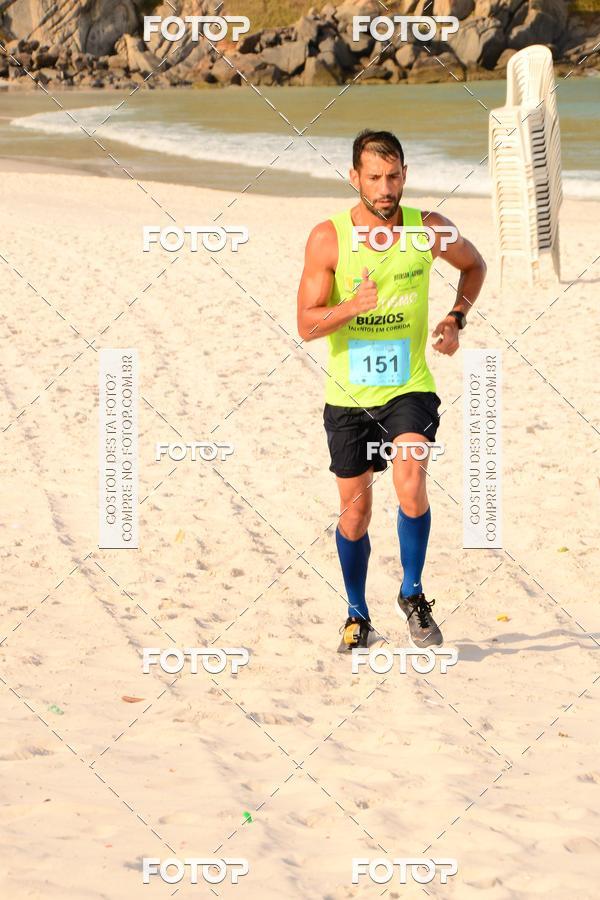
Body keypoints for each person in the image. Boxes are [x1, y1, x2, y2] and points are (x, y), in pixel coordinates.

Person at [296, 129, 487, 651]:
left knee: (410, 483)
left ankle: (412, 593)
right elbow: (306, 325)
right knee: (354, 513)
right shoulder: (329, 238)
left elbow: (474, 266)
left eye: (394, 176)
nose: (385, 188)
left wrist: (455, 317)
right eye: (374, 177)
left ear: (406, 174)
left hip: (409, 388)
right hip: (349, 397)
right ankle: (357, 615)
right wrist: (351, 308)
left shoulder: (429, 230)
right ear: (354, 177)